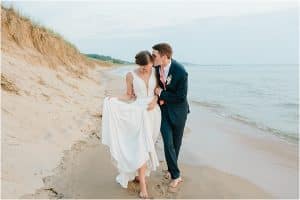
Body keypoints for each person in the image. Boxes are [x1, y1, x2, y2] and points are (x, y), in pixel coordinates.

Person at [101, 50, 161, 198]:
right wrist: (113, 99)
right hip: (138, 113)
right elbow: (128, 95)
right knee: (141, 146)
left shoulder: (156, 73)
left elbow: (159, 91)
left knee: (149, 145)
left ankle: (138, 174)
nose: (143, 69)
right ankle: (143, 187)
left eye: (146, 66)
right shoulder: (130, 75)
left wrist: (154, 101)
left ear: (152, 62)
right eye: (140, 66)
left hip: (153, 113)